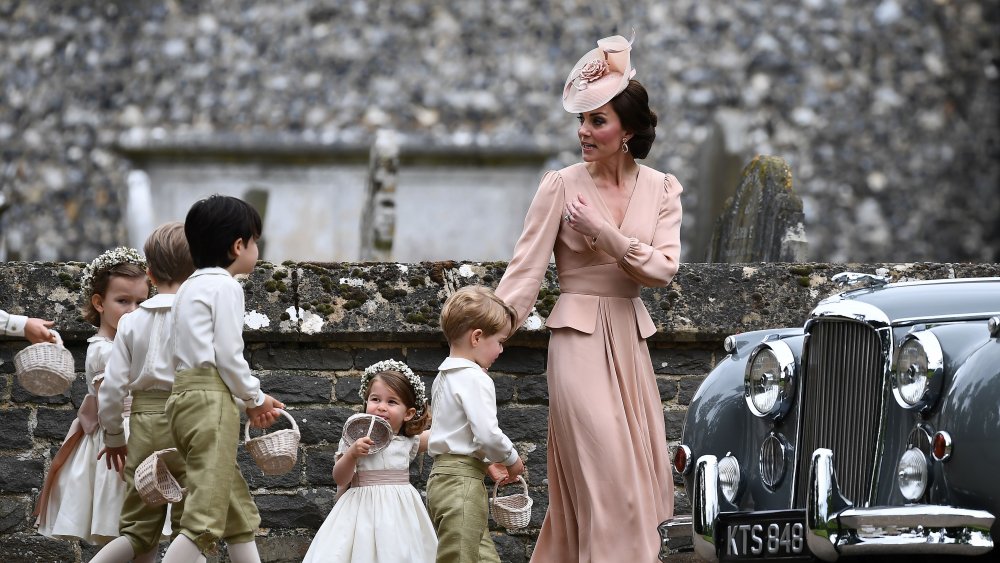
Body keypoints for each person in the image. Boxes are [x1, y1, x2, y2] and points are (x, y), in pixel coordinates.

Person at [494, 32, 682, 562]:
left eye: (597, 121)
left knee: (638, 484)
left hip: (628, 337)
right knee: (607, 476)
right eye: (581, 120)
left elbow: (663, 270)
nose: (583, 132)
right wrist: (484, 340)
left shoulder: (664, 189)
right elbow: (523, 272)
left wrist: (605, 232)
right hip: (576, 339)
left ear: (628, 131)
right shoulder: (559, 184)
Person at [160, 195, 284, 563]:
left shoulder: (187, 289)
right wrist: (255, 398)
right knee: (204, 520)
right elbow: (228, 357)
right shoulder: (226, 286)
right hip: (211, 401)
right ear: (238, 245)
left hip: (182, 400)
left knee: (234, 510)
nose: (256, 248)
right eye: (255, 240)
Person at [90, 222, 198, 563]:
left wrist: (112, 435)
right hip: (185, 419)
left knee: (137, 527)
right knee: (190, 519)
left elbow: (111, 390)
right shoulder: (196, 316)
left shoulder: (130, 323)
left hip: (141, 424)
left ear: (149, 274)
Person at [35, 247, 151, 544]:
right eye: (123, 301)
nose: (134, 310)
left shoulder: (134, 343)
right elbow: (110, 399)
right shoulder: (104, 350)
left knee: (144, 531)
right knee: (125, 527)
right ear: (99, 302)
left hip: (142, 431)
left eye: (141, 302)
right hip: (118, 441)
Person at [426, 285, 526, 563]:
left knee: (482, 557)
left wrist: (485, 464)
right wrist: (511, 458)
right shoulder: (476, 378)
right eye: (500, 341)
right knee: (458, 557)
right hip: (461, 483)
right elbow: (487, 434)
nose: (501, 349)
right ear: (477, 337)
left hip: (442, 478)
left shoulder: (443, 377)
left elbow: (455, 433)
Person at [303, 359, 436, 563]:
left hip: (399, 513)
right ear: (366, 402)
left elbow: (443, 437)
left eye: (392, 402)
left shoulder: (408, 440)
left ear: (408, 413)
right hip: (360, 510)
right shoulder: (354, 436)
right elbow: (340, 479)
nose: (381, 407)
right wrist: (352, 454)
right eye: (375, 399)